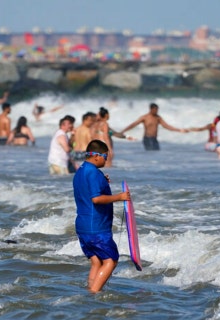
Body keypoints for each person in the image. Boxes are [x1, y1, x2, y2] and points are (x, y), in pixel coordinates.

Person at [72, 139, 130, 293]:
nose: (107, 160)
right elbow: (96, 199)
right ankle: (94, 293)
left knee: (96, 262)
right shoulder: (93, 173)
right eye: (105, 156)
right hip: (96, 227)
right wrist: (120, 197)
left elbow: (87, 189)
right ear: (96, 156)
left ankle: (90, 291)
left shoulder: (81, 171)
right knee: (111, 260)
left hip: (83, 225)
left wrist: (102, 182)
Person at [120, 103, 188, 151]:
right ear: (151, 109)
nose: (156, 111)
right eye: (155, 110)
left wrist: (179, 130)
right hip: (147, 139)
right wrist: (123, 131)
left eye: (157, 110)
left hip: (154, 139)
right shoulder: (145, 117)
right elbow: (133, 124)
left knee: (157, 152)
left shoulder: (158, 118)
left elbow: (166, 126)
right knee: (150, 153)